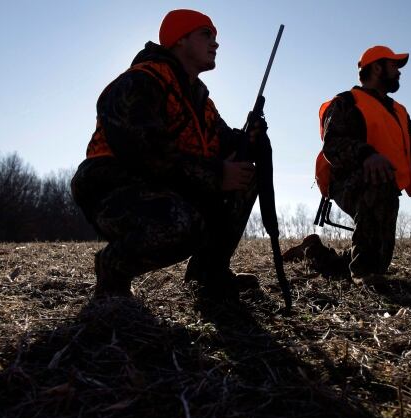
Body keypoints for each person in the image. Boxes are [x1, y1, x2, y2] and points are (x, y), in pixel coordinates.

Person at [71, 9, 267, 299]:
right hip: (112, 186)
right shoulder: (141, 81)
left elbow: (223, 143)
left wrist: (248, 139)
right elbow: (144, 152)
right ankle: (113, 267)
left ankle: (208, 273)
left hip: (167, 186)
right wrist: (216, 175)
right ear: (179, 40)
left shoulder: (201, 100)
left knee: (244, 174)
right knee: (183, 225)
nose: (216, 44)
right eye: (206, 35)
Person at [284, 45, 411, 287]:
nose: (399, 72)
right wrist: (368, 155)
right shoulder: (346, 102)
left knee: (378, 261)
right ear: (377, 67)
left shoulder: (398, 111)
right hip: (346, 180)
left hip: (385, 188)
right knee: (370, 266)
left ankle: (313, 252)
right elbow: (333, 144)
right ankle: (363, 273)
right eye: (394, 66)